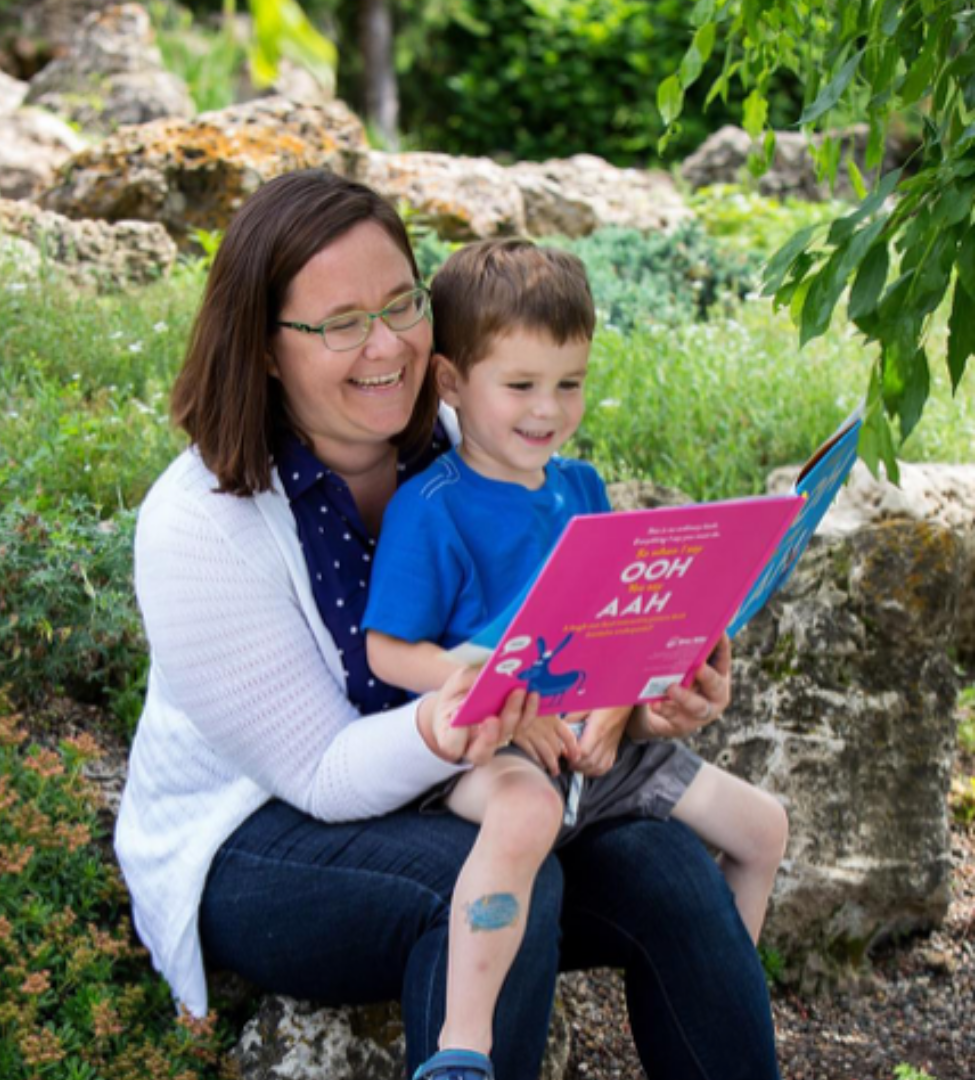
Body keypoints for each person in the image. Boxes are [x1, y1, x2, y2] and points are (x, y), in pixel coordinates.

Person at [114, 168, 783, 1080]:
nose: (386, 344)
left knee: (668, 865)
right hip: (261, 834)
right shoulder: (201, 523)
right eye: (341, 323)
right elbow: (320, 773)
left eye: (401, 303)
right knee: (498, 873)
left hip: (477, 778)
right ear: (265, 349)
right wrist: (454, 718)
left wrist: (637, 697)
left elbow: (556, 638)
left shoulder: (473, 445)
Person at [363, 239, 790, 1078]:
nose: (548, 409)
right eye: (520, 385)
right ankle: (463, 1043)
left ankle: (725, 997)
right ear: (450, 382)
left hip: (601, 747)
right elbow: (386, 653)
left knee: (763, 828)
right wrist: (481, 682)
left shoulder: (583, 489)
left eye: (570, 383)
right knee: (524, 817)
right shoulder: (431, 507)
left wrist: (627, 706)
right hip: (497, 747)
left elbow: (616, 631)